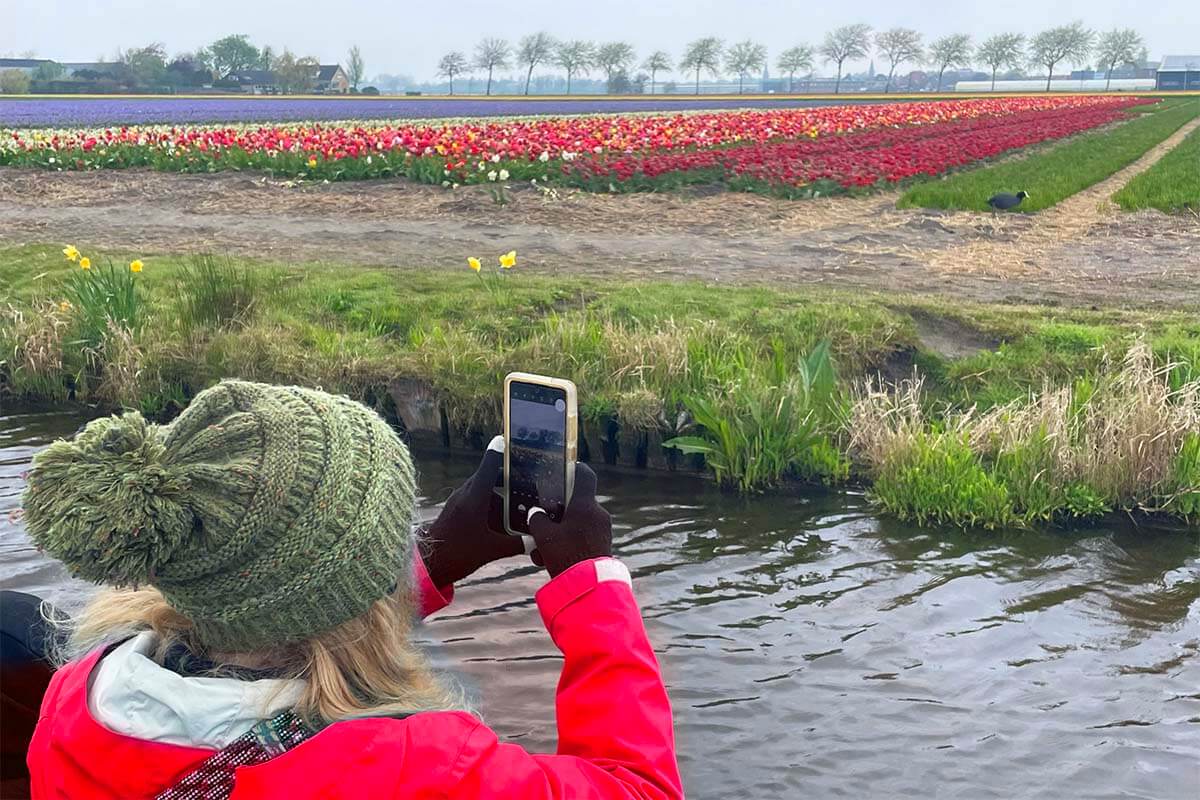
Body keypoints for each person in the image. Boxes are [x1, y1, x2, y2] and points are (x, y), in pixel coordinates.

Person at [17, 380, 682, 799]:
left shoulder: (74, 701)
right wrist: (591, 582)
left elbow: (295, 606)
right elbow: (638, 789)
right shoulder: (413, 770)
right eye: (393, 542)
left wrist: (433, 561)